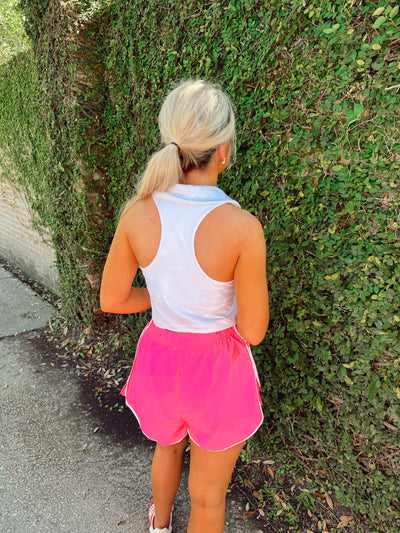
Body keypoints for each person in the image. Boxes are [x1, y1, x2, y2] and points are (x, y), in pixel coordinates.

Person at [100, 79, 269, 533]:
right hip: (217, 372)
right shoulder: (241, 227)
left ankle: (158, 525)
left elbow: (112, 299)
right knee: (209, 500)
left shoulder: (137, 213)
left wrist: (167, 296)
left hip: (158, 362)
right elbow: (252, 331)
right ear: (224, 151)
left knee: (168, 447)